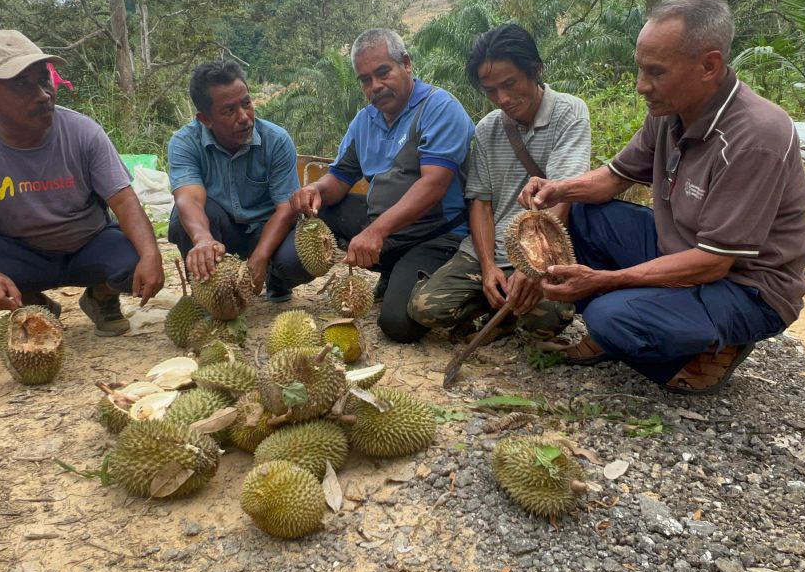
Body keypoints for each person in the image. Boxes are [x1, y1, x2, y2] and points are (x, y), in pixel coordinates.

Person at [521, 0, 805, 394]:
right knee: (579, 213)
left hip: (746, 286)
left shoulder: (755, 136)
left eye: (656, 72)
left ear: (709, 65)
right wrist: (558, 189)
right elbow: (612, 178)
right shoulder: (669, 111)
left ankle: (712, 347)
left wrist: (603, 280)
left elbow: (713, 263)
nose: (642, 86)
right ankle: (645, 323)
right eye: (640, 70)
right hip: (679, 250)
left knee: (610, 316)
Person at [0, 30, 164, 335]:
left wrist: (151, 254)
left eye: (43, 79)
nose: (43, 94)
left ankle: (101, 296)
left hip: (88, 244)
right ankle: (30, 304)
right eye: (21, 84)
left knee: (137, 257)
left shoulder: (82, 131)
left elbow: (124, 200)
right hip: (18, 252)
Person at [272, 28, 475, 342]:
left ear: (405, 64)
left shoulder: (440, 108)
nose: (375, 86)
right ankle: (280, 279)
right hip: (384, 226)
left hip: (437, 234)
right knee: (316, 219)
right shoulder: (364, 121)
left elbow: (434, 185)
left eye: (383, 73)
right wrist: (316, 191)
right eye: (365, 80)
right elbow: (339, 179)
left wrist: (376, 231)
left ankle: (468, 292)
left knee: (398, 324)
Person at [409, 23, 589, 341]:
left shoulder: (569, 113)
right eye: (491, 90)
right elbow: (481, 202)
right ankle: (496, 299)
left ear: (535, 70)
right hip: (488, 252)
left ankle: (501, 309)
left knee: (549, 318)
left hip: (543, 253)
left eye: (510, 84)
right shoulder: (488, 128)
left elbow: (561, 197)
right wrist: (489, 266)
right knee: (424, 307)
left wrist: (532, 266)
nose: (502, 98)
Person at [166, 59, 299, 300]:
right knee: (181, 218)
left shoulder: (277, 140)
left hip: (264, 231)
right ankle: (210, 292)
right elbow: (189, 199)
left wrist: (259, 259)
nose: (244, 117)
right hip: (220, 231)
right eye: (229, 110)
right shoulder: (185, 143)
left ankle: (276, 278)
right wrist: (203, 239)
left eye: (246, 103)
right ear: (205, 119)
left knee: (296, 257)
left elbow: (285, 209)